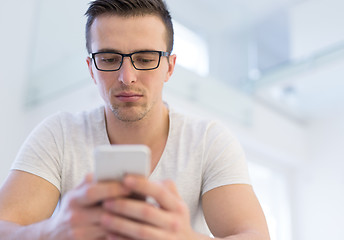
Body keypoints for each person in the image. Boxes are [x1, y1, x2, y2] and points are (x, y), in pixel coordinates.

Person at [0, 0, 270, 239]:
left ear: (170, 67)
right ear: (91, 69)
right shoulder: (58, 134)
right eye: (108, 59)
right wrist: (51, 232)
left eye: (145, 58)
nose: (127, 77)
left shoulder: (208, 141)